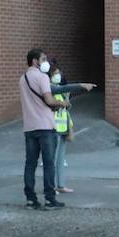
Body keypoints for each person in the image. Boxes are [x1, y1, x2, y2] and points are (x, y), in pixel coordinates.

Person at [21, 48, 69, 209]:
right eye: (43, 59)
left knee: (30, 164)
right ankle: (50, 198)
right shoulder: (42, 77)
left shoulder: (23, 79)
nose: (46, 63)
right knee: (49, 164)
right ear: (35, 61)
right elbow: (49, 100)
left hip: (29, 126)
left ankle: (30, 199)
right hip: (45, 126)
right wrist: (62, 103)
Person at [49, 60, 94, 194]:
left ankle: (61, 185)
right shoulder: (50, 88)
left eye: (59, 73)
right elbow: (53, 104)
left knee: (61, 159)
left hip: (64, 126)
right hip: (53, 127)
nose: (58, 76)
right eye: (55, 74)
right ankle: (51, 186)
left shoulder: (61, 89)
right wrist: (62, 103)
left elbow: (67, 104)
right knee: (52, 159)